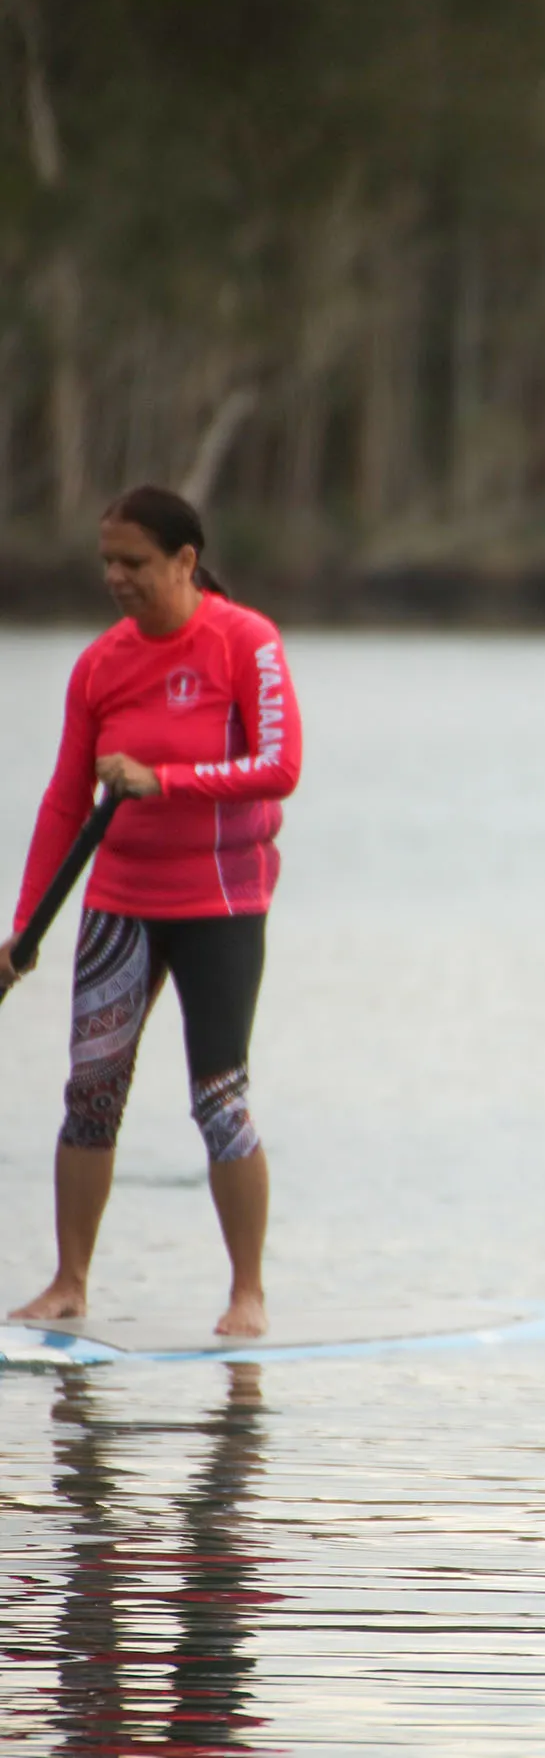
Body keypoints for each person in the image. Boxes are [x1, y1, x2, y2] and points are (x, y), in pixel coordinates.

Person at [3, 486, 302, 1339]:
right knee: (90, 1094)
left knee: (220, 1098)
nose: (116, 577)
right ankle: (68, 1283)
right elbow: (65, 804)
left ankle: (247, 1293)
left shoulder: (247, 643)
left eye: (133, 562)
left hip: (220, 899)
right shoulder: (100, 665)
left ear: (183, 560)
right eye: (107, 562)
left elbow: (279, 767)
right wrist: (24, 933)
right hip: (119, 904)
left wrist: (162, 780)